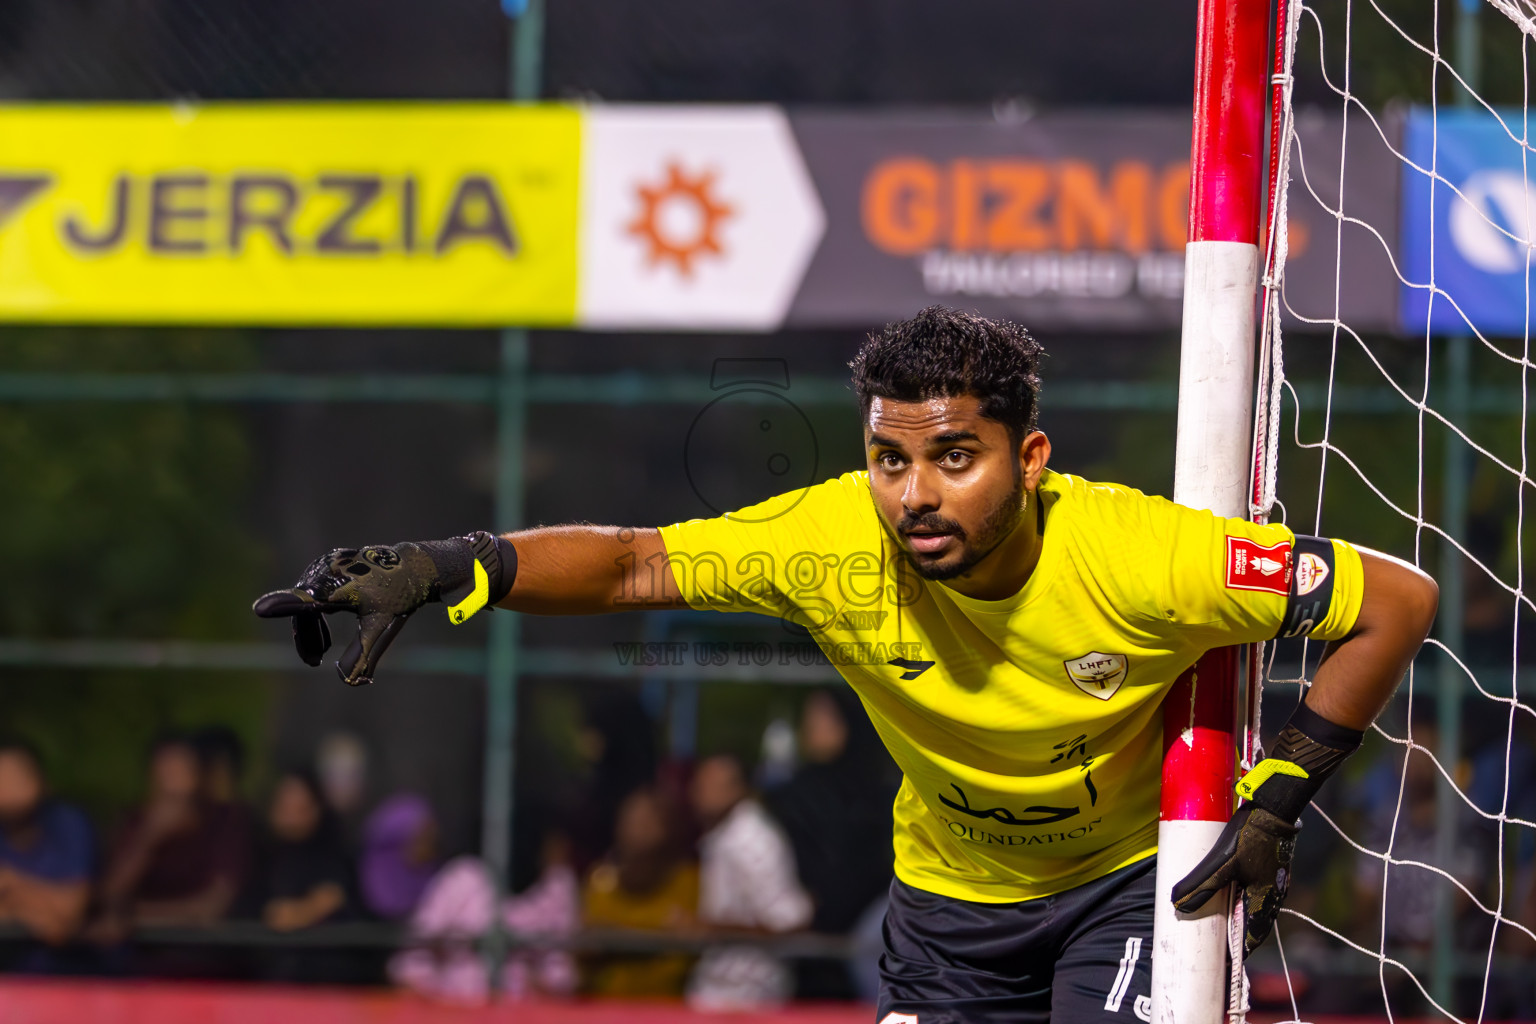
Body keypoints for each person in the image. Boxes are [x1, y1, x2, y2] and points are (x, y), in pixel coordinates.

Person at [255, 305, 1440, 1023]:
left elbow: (1397, 599)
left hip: (1126, 888)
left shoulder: (1147, 555)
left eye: (955, 457)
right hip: (947, 909)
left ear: (1030, 457)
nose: (914, 493)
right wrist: (447, 560)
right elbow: (629, 566)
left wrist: (1283, 794)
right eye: (888, 458)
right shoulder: (832, 538)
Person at [766, 689, 898, 999]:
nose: (813, 726)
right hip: (800, 938)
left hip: (864, 936)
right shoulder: (789, 795)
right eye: (809, 718)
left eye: (825, 717)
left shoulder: (880, 794)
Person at [686, 753, 813, 1010]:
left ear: (740, 789)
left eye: (715, 784)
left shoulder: (752, 839)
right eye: (701, 783)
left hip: (750, 993)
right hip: (718, 987)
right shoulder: (723, 834)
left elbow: (789, 921)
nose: (702, 791)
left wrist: (710, 928)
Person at [94, 734, 249, 938]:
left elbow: (212, 907)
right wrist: (149, 838)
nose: (172, 783)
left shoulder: (226, 821)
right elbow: (107, 896)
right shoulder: (135, 823)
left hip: (206, 951)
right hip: (138, 955)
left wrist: (134, 917)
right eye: (165, 772)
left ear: (199, 776)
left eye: (181, 771)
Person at [582, 786, 699, 998]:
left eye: (647, 823)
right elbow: (588, 948)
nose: (637, 831)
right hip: (607, 1007)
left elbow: (685, 950)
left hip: (667, 1008)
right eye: (631, 822)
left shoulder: (688, 880)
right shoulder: (600, 880)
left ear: (669, 827)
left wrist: (616, 941)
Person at [0, 739, 93, 960]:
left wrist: (10, 883)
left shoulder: (69, 824)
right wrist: (43, 912)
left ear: (40, 779)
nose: (8, 786)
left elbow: (69, 918)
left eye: (17, 776)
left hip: (65, 974)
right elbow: (55, 924)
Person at [359, 792, 439, 921]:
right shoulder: (372, 883)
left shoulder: (437, 880)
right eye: (421, 839)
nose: (428, 848)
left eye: (431, 839)